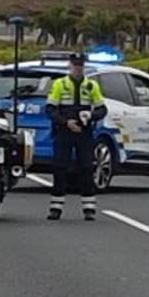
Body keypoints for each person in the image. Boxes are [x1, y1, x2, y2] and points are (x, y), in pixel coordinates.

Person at [45, 54, 106, 221]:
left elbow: (102, 110)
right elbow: (50, 109)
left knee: (86, 168)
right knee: (59, 168)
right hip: (64, 131)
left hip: (84, 132)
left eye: (80, 65)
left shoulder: (91, 85)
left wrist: (91, 115)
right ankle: (56, 208)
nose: (78, 68)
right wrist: (66, 122)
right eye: (75, 65)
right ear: (69, 66)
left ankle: (89, 208)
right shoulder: (60, 84)